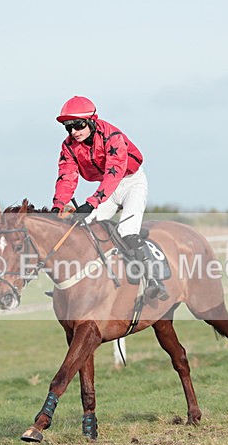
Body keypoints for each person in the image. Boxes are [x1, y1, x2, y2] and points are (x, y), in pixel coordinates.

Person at [50, 95, 168, 301]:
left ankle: (153, 280)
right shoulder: (68, 146)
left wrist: (91, 202)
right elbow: (66, 177)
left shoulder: (112, 137)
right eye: (68, 128)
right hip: (107, 188)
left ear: (91, 120)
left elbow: (114, 173)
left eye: (77, 125)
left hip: (131, 183)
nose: (73, 132)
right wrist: (58, 206)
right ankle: (75, 285)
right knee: (82, 228)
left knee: (126, 232)